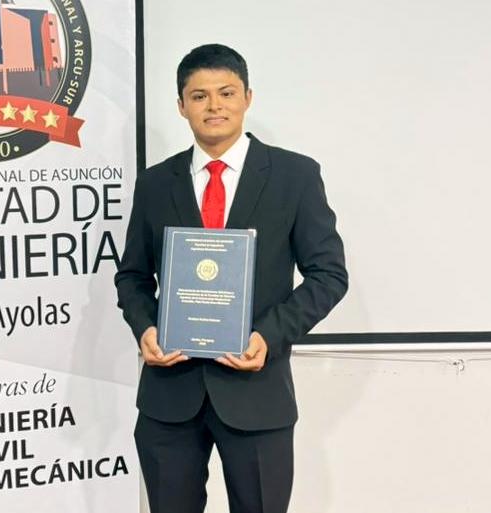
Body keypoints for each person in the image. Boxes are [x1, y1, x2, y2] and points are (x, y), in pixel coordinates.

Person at [114, 44, 348, 513]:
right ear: (181, 106)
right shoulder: (155, 183)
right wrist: (146, 328)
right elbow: (133, 276)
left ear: (247, 98)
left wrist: (268, 335)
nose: (214, 106)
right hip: (169, 396)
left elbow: (328, 275)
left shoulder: (295, 176)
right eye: (199, 96)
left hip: (257, 394)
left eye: (226, 93)